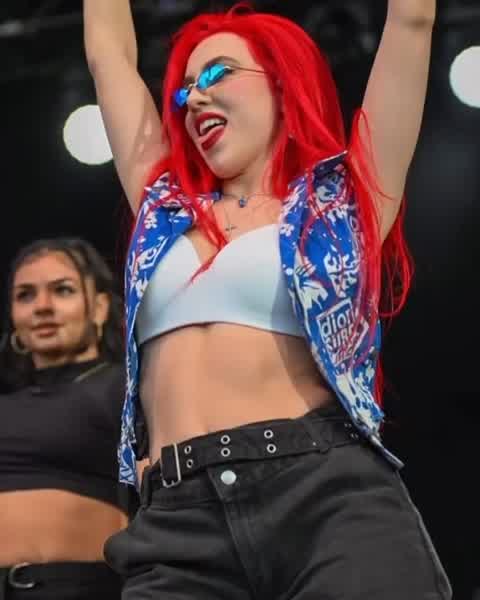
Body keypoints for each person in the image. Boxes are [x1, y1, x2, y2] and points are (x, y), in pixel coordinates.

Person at [84, 1, 452, 598]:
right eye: (184, 91)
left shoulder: (344, 202)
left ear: (282, 83)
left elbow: (411, 20)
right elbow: (108, 54)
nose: (194, 98)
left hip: (323, 493)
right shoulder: (162, 205)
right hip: (178, 521)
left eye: (216, 74)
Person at [0, 238, 133, 599]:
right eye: (25, 295)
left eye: (63, 290)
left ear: (100, 308)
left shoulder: (125, 387)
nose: (42, 307)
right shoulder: (8, 402)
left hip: (75, 588)